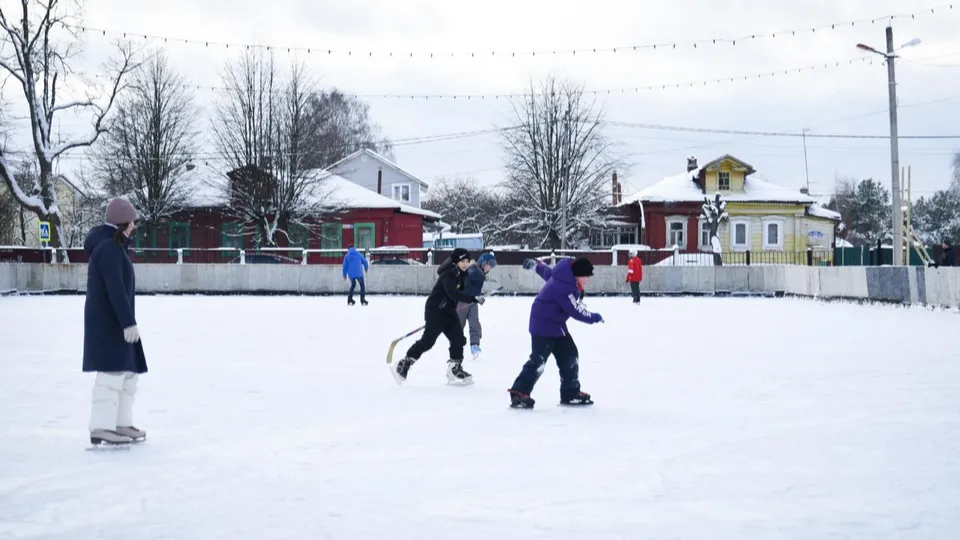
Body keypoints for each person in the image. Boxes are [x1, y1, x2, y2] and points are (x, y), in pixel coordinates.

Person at [82, 197, 148, 446]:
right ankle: (101, 426)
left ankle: (120, 422)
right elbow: (115, 289)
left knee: (129, 373)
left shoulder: (115, 246)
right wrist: (127, 322)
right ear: (123, 223)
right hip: (109, 323)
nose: (134, 228)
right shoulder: (109, 248)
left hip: (118, 321)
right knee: (112, 374)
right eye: (132, 223)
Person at [508, 257, 602, 409]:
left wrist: (536, 266)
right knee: (538, 361)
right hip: (542, 325)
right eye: (587, 276)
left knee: (570, 355)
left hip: (557, 325)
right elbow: (575, 310)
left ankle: (570, 392)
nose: (589, 279)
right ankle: (519, 392)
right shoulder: (565, 288)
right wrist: (594, 317)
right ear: (578, 274)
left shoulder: (564, 277)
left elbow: (548, 273)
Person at [394, 248, 485, 385]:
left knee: (458, 339)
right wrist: (472, 299)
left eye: (467, 261)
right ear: (456, 261)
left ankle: (454, 369)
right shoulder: (448, 274)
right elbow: (452, 293)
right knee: (428, 341)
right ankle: (404, 363)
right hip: (435, 312)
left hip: (449, 312)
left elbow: (463, 290)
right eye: (462, 261)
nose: (465, 264)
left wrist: (475, 295)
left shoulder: (462, 274)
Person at [458, 251, 497, 359]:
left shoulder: (480, 272)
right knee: (459, 325)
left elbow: (475, 288)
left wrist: (479, 297)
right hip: (462, 302)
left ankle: (474, 345)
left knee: (475, 323)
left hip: (472, 303)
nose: (489, 269)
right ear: (483, 263)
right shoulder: (473, 269)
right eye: (489, 266)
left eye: (491, 267)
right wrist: (484, 278)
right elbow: (473, 277)